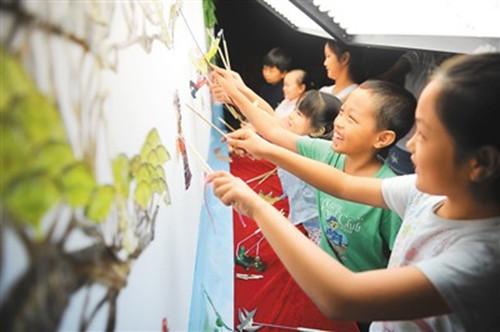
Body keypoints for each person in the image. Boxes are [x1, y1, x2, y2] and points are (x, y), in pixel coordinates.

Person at [209, 53, 500, 331]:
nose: (410, 146)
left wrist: (257, 207)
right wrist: (265, 148)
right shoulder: (424, 194)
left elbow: (343, 298)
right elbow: (342, 184)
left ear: (481, 163)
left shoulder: (480, 263)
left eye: (423, 135)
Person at [213, 65, 416, 275]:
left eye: (352, 119)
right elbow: (274, 130)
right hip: (326, 268)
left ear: (383, 138)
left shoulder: (389, 197)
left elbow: (399, 263)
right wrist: (236, 93)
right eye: (342, 113)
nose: (338, 123)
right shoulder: (327, 152)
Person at [378, 50, 452, 174]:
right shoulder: (421, 55)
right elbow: (388, 76)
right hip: (403, 141)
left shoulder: (464, 65)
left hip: (432, 147)